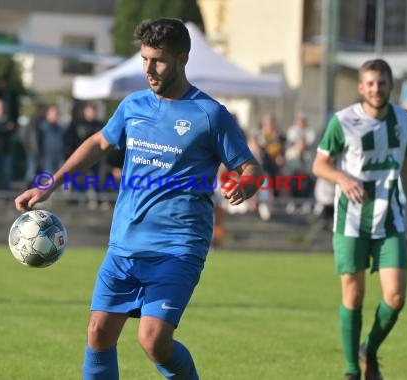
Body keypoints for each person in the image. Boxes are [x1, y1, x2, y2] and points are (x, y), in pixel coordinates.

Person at [14, 18, 262, 379]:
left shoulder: (210, 115)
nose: (149, 68)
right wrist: (50, 183)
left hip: (177, 247)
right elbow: (99, 143)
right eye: (144, 58)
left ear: (183, 58)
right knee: (98, 333)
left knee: (153, 341)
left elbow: (250, 167)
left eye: (158, 60)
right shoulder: (133, 105)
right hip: (125, 244)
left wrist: (245, 183)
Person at [312, 59, 407, 380]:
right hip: (351, 220)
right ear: (361, 87)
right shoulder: (342, 121)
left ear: (390, 86)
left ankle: (369, 351)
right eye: (370, 83)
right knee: (354, 295)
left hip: (391, 219)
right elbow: (319, 164)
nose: (376, 89)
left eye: (382, 83)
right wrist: (343, 179)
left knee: (396, 298)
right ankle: (350, 370)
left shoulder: (404, 120)